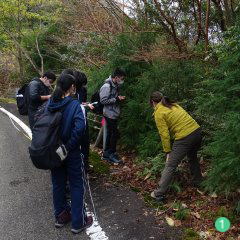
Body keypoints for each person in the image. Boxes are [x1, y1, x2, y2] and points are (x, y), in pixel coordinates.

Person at [47, 73, 93, 233]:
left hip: (54, 152)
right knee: (76, 184)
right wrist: (68, 147)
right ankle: (78, 222)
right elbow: (80, 129)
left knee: (58, 184)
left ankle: (61, 216)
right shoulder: (75, 105)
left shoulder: (50, 104)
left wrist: (60, 149)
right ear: (72, 87)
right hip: (71, 152)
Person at [150, 91, 203, 202]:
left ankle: (158, 193)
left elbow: (164, 134)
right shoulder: (173, 104)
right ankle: (199, 182)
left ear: (152, 102)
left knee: (170, 165)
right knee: (192, 157)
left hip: (185, 136)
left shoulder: (159, 112)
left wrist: (167, 152)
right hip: (197, 131)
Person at [100, 68, 126, 164]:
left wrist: (117, 98)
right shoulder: (107, 86)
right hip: (109, 114)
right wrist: (116, 99)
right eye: (121, 78)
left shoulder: (115, 85)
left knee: (112, 134)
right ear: (116, 77)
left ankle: (108, 153)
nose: (122, 80)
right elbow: (103, 101)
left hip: (114, 113)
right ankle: (110, 154)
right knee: (113, 134)